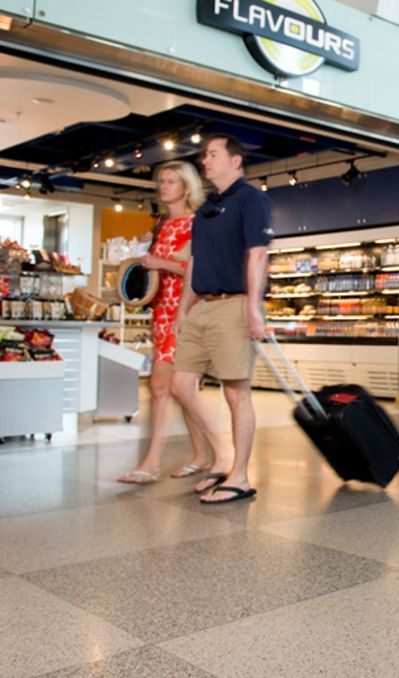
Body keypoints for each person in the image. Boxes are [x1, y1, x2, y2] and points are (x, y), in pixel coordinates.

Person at [170, 134, 273, 503]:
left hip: (234, 303)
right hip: (202, 306)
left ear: (235, 161)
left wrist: (252, 308)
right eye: (205, 156)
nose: (205, 161)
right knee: (180, 385)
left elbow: (257, 255)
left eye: (213, 155)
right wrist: (183, 309)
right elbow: (195, 261)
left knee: (235, 394)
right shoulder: (206, 209)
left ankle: (240, 476)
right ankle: (220, 460)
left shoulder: (251, 199)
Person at [118, 161, 227, 485]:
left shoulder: (195, 223)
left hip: (184, 313)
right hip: (162, 312)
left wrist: (160, 262)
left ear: (186, 186)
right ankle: (204, 455)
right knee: (181, 390)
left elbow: (199, 271)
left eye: (171, 181)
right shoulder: (163, 224)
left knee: (162, 387)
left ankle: (152, 462)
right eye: (161, 181)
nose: (163, 186)